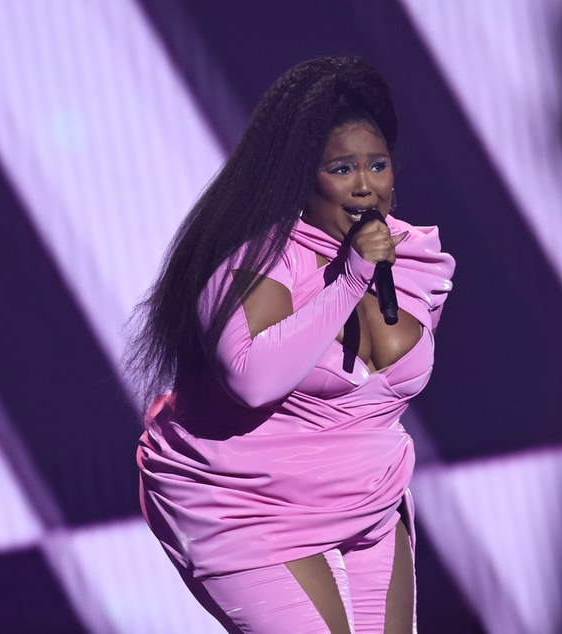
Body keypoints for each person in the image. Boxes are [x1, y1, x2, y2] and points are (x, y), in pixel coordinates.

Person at [128, 56, 455, 633]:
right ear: (302, 178)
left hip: (369, 498)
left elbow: (387, 385)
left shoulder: (414, 256)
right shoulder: (258, 265)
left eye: (377, 165)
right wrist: (350, 279)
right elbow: (252, 380)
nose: (365, 185)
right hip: (247, 506)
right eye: (341, 168)